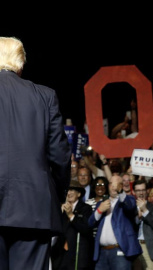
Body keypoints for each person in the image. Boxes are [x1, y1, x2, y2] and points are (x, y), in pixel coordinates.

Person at [0, 37, 71, 270]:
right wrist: (58, 195)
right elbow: (60, 155)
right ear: (20, 65)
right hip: (33, 207)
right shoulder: (44, 96)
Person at [88, 175, 142, 269]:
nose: (114, 187)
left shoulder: (127, 200)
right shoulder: (101, 203)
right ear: (108, 186)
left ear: (121, 186)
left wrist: (121, 192)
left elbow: (130, 206)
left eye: (117, 184)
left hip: (119, 250)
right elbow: (90, 223)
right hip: (102, 252)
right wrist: (99, 210)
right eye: (111, 184)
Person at [51, 180, 94, 270]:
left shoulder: (86, 208)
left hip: (77, 255)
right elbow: (54, 229)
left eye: (72, 190)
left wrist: (71, 215)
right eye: (67, 190)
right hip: (60, 256)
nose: (69, 193)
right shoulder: (59, 208)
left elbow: (86, 229)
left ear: (79, 194)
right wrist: (59, 213)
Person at [133, 178, 153, 269]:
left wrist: (145, 211)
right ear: (134, 192)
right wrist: (138, 218)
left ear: (147, 191)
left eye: (143, 190)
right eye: (138, 190)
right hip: (135, 248)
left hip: (150, 249)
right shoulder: (130, 208)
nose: (141, 193)